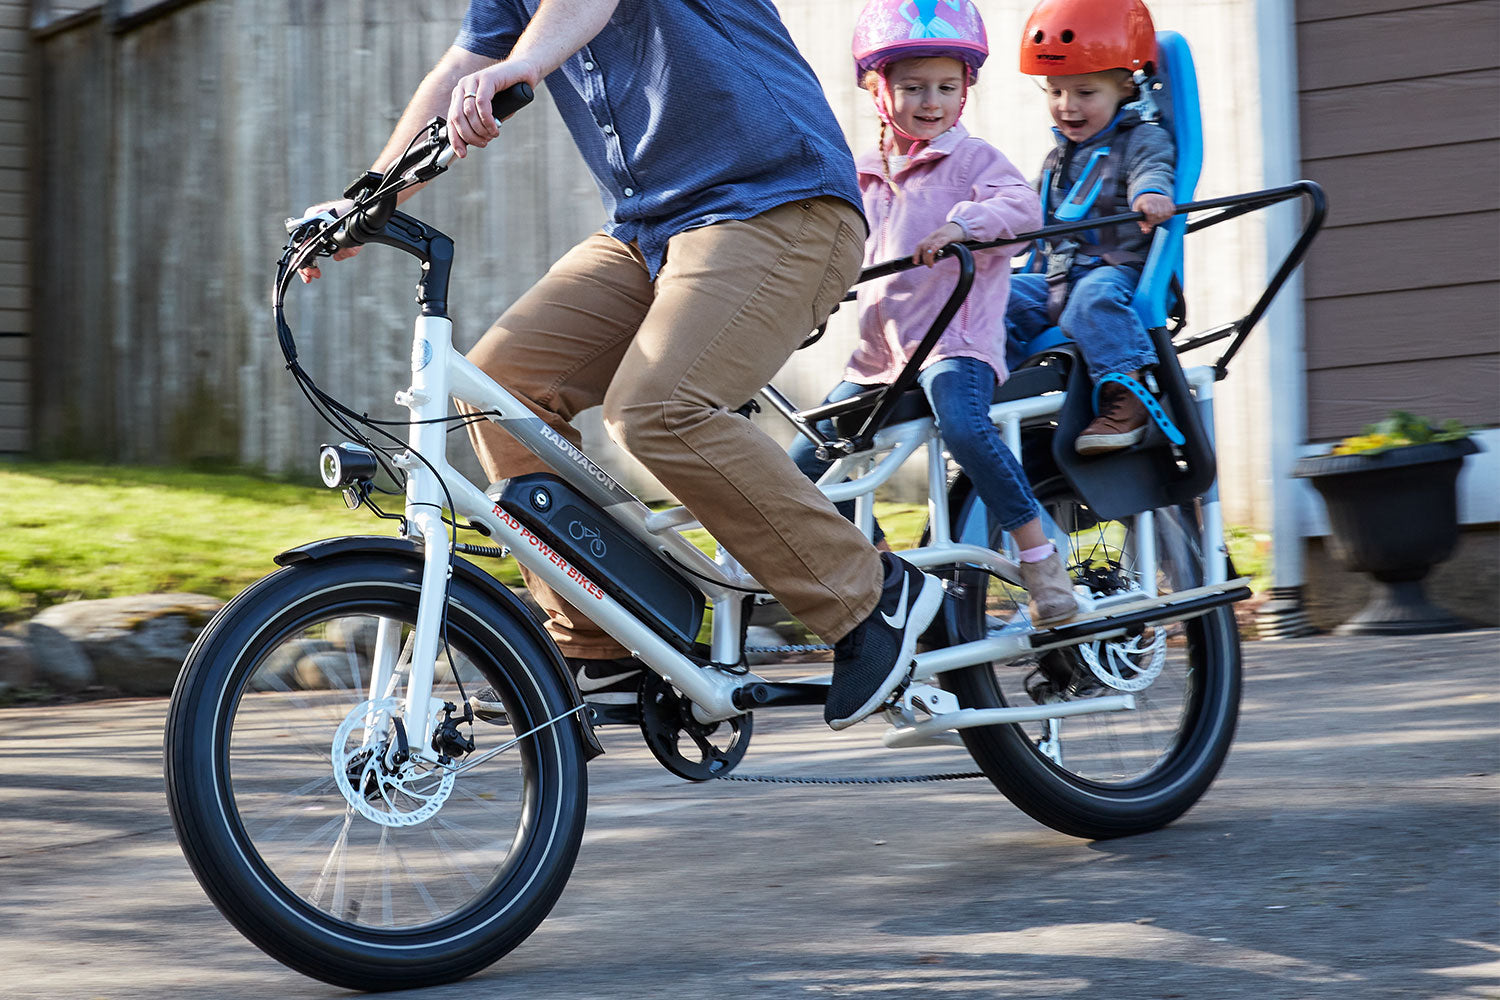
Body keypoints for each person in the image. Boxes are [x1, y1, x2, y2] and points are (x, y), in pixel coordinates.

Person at [297, 0, 942, 732]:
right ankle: (603, 646)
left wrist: (526, 64)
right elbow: (467, 62)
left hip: (776, 204)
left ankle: (869, 593)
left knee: (658, 408)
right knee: (500, 389)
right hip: (651, 229)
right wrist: (368, 199)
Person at [788, 0, 1077, 628]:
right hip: (879, 358)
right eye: (912, 86)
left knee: (967, 430)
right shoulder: (859, 173)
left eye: (947, 87)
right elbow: (832, 248)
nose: (930, 101)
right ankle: (879, 571)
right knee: (799, 465)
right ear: (876, 87)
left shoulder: (973, 163)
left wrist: (962, 225)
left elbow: (1023, 212)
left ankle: (1040, 559)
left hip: (956, 343)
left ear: (966, 90)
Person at [1006, 0, 1176, 456]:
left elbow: (1153, 169)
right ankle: (989, 386)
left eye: (1085, 93)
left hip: (1116, 272)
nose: (1067, 107)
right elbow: (1025, 209)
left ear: (1124, 87)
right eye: (1055, 92)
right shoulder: (1058, 157)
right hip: (1053, 278)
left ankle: (1130, 395)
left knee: (1092, 299)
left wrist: (1150, 196)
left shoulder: (1141, 138)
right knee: (991, 295)